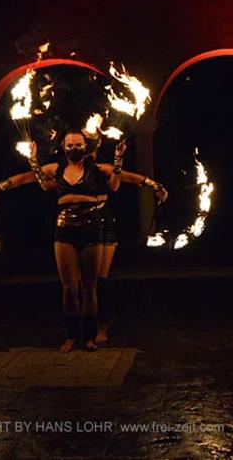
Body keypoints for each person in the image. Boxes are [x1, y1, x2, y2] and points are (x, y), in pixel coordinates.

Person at [0, 130, 126, 352]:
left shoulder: (96, 169)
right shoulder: (55, 169)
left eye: (78, 144)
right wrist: (1, 185)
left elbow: (117, 184)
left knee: (90, 287)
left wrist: (119, 160)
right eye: (69, 145)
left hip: (92, 229)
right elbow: (30, 179)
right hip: (65, 231)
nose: (74, 148)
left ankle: (89, 336)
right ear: (63, 146)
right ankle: (71, 335)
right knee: (70, 288)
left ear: (86, 146)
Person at [83, 134, 168, 344]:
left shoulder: (101, 168)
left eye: (90, 150)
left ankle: (101, 326)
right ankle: (81, 328)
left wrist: (153, 185)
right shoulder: (64, 170)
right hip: (73, 229)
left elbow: (127, 178)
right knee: (81, 282)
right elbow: (37, 176)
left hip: (102, 225)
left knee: (100, 280)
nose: (87, 153)